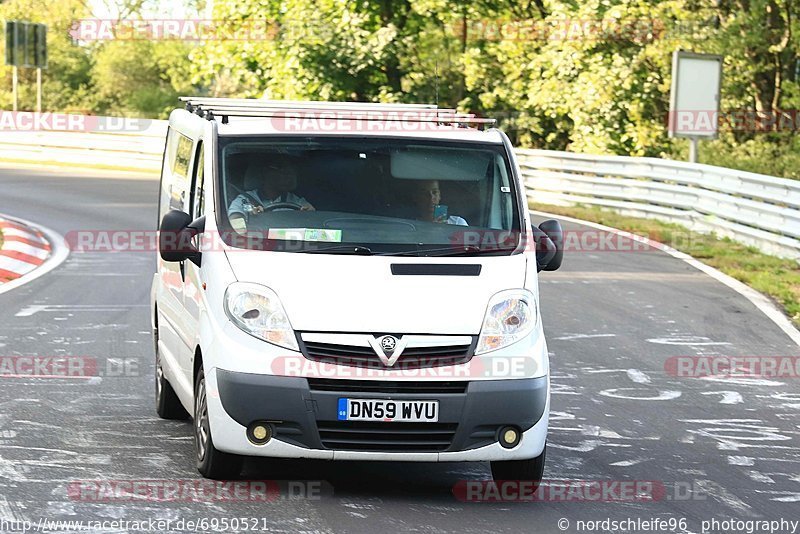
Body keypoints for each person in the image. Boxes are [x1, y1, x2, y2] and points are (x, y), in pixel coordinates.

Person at [228, 156, 314, 231]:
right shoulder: (245, 199)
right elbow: (235, 221)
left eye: (290, 171)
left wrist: (309, 214)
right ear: (266, 173)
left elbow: (312, 219)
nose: (288, 175)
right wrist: (251, 219)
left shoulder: (296, 201)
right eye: (281, 169)